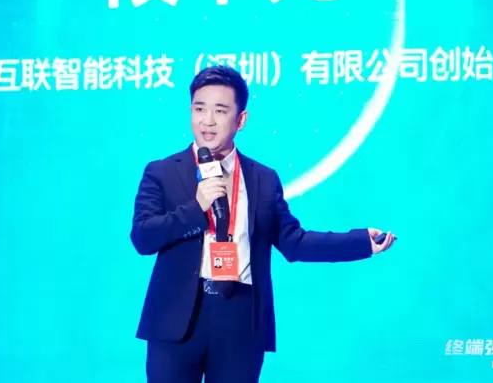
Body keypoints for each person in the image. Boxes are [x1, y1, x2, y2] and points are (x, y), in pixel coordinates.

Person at [130, 65, 395, 383]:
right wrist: (195, 208)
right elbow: (143, 238)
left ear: (241, 120)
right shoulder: (162, 172)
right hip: (176, 320)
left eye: (220, 110)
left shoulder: (263, 179)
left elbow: (295, 242)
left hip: (241, 319)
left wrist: (360, 242)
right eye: (199, 109)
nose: (207, 121)